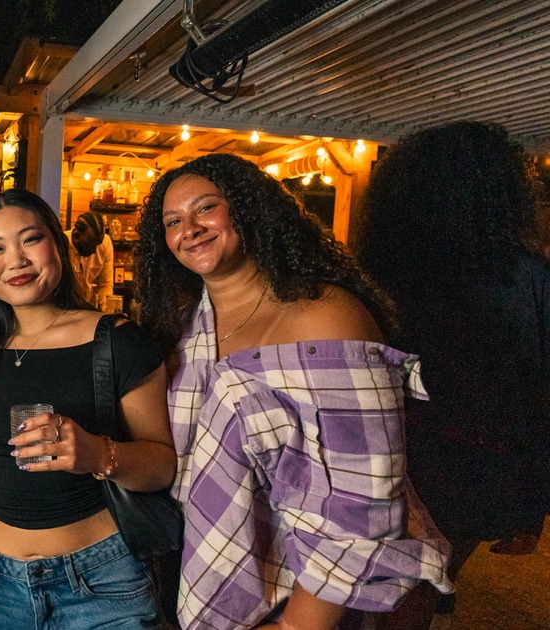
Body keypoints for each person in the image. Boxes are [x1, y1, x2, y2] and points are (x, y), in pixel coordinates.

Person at [135, 153, 452, 629]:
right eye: (173, 220)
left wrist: (296, 625)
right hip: (203, 568)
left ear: (249, 209)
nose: (190, 228)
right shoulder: (181, 331)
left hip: (314, 597)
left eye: (206, 208)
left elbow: (363, 498)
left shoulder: (325, 317)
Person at [355, 121, 550, 613]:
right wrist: (530, 505)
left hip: (384, 458)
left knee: (367, 596)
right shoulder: (528, 279)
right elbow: (538, 396)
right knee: (421, 595)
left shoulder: (378, 274)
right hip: (477, 466)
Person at [0, 189, 176, 629]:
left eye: (30, 239)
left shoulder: (116, 341)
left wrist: (98, 453)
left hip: (102, 582)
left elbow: (162, 465)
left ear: (57, 245)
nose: (16, 260)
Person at [64, 210, 115, 307]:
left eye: (97, 244)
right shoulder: (61, 244)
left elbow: (105, 285)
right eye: (90, 244)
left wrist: (104, 311)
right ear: (76, 235)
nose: (94, 251)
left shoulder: (106, 243)